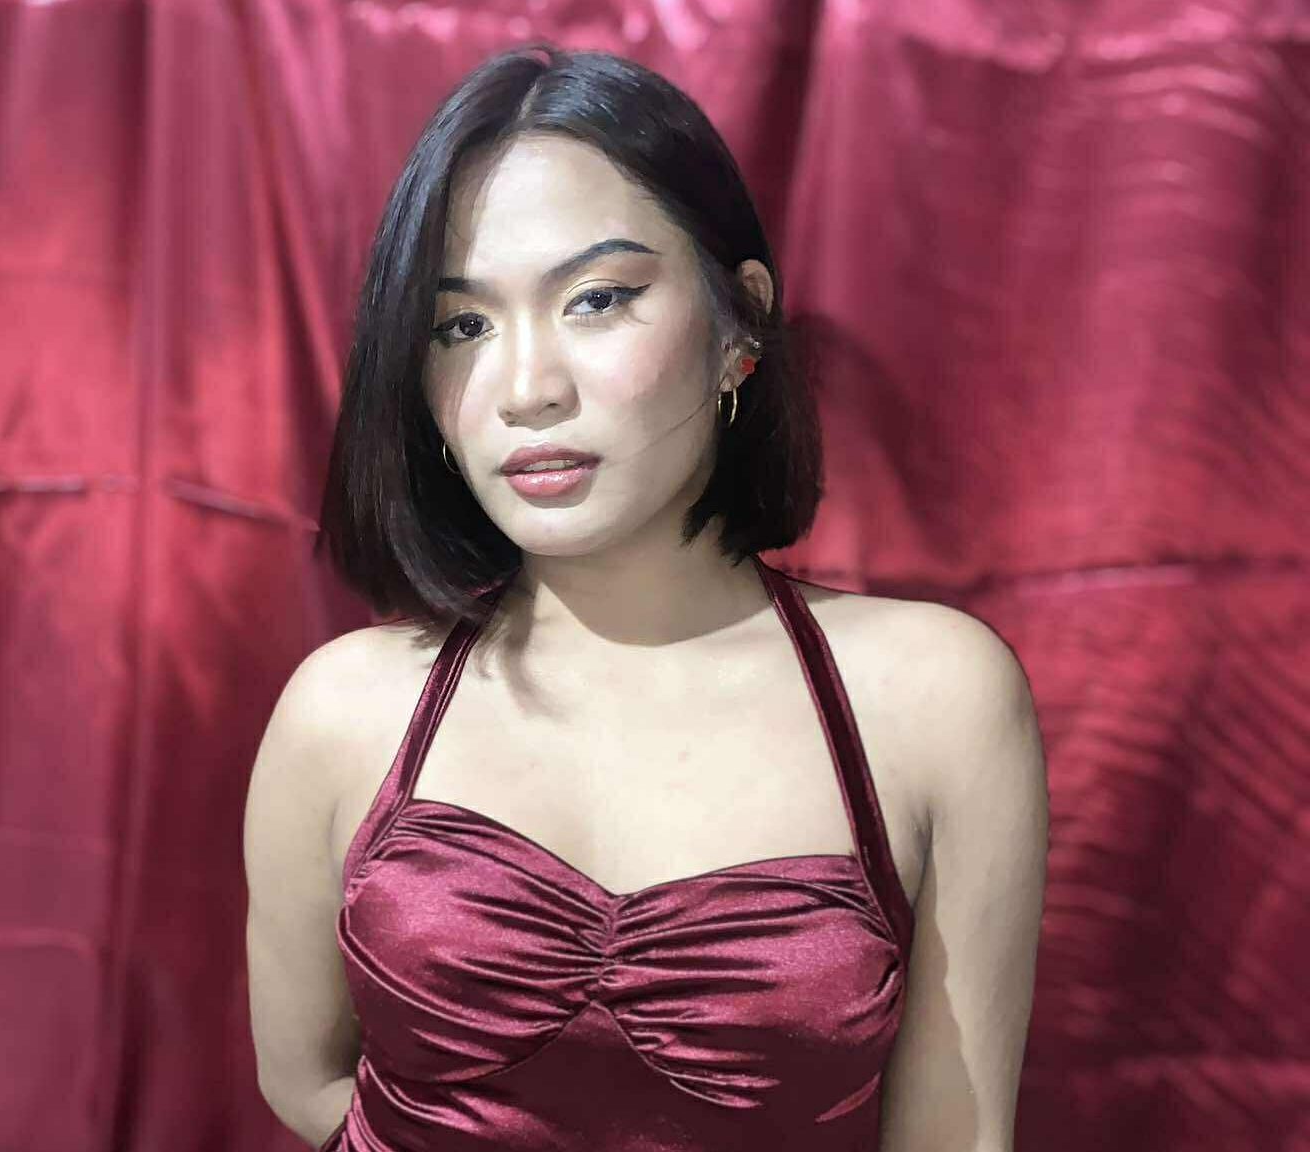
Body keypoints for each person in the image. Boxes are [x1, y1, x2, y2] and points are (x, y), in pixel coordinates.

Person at [244, 42, 1048, 1152]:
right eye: (462, 326)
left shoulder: (934, 698)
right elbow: (303, 1082)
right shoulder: (341, 711)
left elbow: (954, 1137)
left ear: (739, 326)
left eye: (597, 299)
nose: (526, 388)